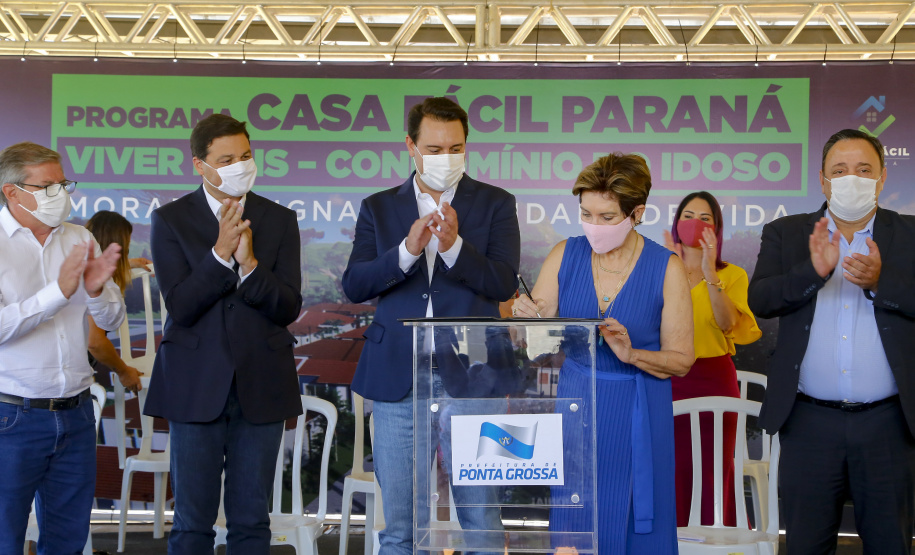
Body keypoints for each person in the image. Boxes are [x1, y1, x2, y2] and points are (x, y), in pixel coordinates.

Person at [342, 97, 520, 555]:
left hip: (473, 376)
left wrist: (454, 247)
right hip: (400, 374)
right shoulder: (379, 207)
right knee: (402, 526)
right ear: (411, 146)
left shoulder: (496, 203)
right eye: (435, 148)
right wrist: (406, 250)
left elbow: (502, 282)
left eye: (456, 148)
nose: (447, 158)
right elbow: (356, 284)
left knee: (480, 518)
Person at [513, 153, 694, 553]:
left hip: (639, 410)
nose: (594, 226)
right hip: (577, 406)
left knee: (636, 526)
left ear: (637, 213)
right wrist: (525, 316)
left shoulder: (666, 267)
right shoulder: (565, 254)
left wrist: (633, 355)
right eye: (586, 213)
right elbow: (532, 330)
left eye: (607, 217)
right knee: (576, 525)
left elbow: (681, 359)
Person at [748, 128, 915, 555]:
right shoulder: (786, 233)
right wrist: (812, 272)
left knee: (890, 544)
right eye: (840, 170)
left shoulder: (909, 234)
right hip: (808, 424)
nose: (851, 179)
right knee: (805, 544)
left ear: (881, 179)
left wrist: (882, 283)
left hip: (889, 425)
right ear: (823, 180)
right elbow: (761, 300)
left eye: (863, 170)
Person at [143, 114, 303, 554]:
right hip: (194, 384)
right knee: (193, 522)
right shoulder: (170, 220)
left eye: (246, 156)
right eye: (227, 159)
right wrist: (219, 256)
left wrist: (251, 267)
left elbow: (288, 307)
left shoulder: (279, 219)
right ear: (200, 164)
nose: (240, 165)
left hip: (262, 383)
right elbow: (182, 306)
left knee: (252, 519)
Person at [0, 142, 125, 553]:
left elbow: (110, 320)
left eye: (63, 183)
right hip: (11, 417)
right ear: (12, 191)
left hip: (74, 414)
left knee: (69, 540)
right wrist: (58, 292)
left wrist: (93, 293)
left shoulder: (79, 236)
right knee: (5, 536)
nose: (61, 194)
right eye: (47, 186)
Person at [663, 191, 761, 527]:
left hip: (714, 380)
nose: (695, 224)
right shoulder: (660, 269)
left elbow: (728, 324)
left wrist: (708, 272)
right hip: (665, 378)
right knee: (668, 466)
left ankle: (717, 542)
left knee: (712, 467)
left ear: (716, 229)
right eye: (688, 215)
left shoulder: (731, 274)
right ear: (677, 223)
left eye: (705, 218)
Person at [85, 210, 151, 394]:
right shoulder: (96, 282)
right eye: (126, 246)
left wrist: (127, 263)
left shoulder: (81, 266)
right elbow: (95, 341)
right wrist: (123, 371)